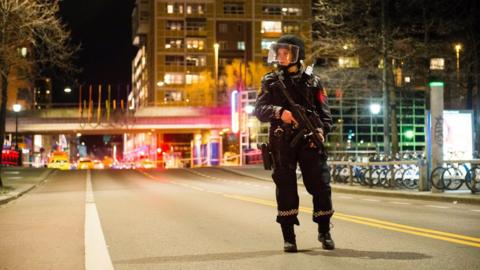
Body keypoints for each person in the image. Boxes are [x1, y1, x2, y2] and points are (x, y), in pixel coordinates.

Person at [254, 35, 334, 252]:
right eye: (278, 52)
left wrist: (322, 130)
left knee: (321, 185)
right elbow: (259, 111)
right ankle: (289, 237)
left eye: (285, 52)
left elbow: (325, 115)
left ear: (297, 54)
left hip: (309, 140)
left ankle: (324, 231)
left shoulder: (313, 81)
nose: (280, 56)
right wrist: (280, 113)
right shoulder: (270, 81)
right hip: (282, 142)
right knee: (286, 188)